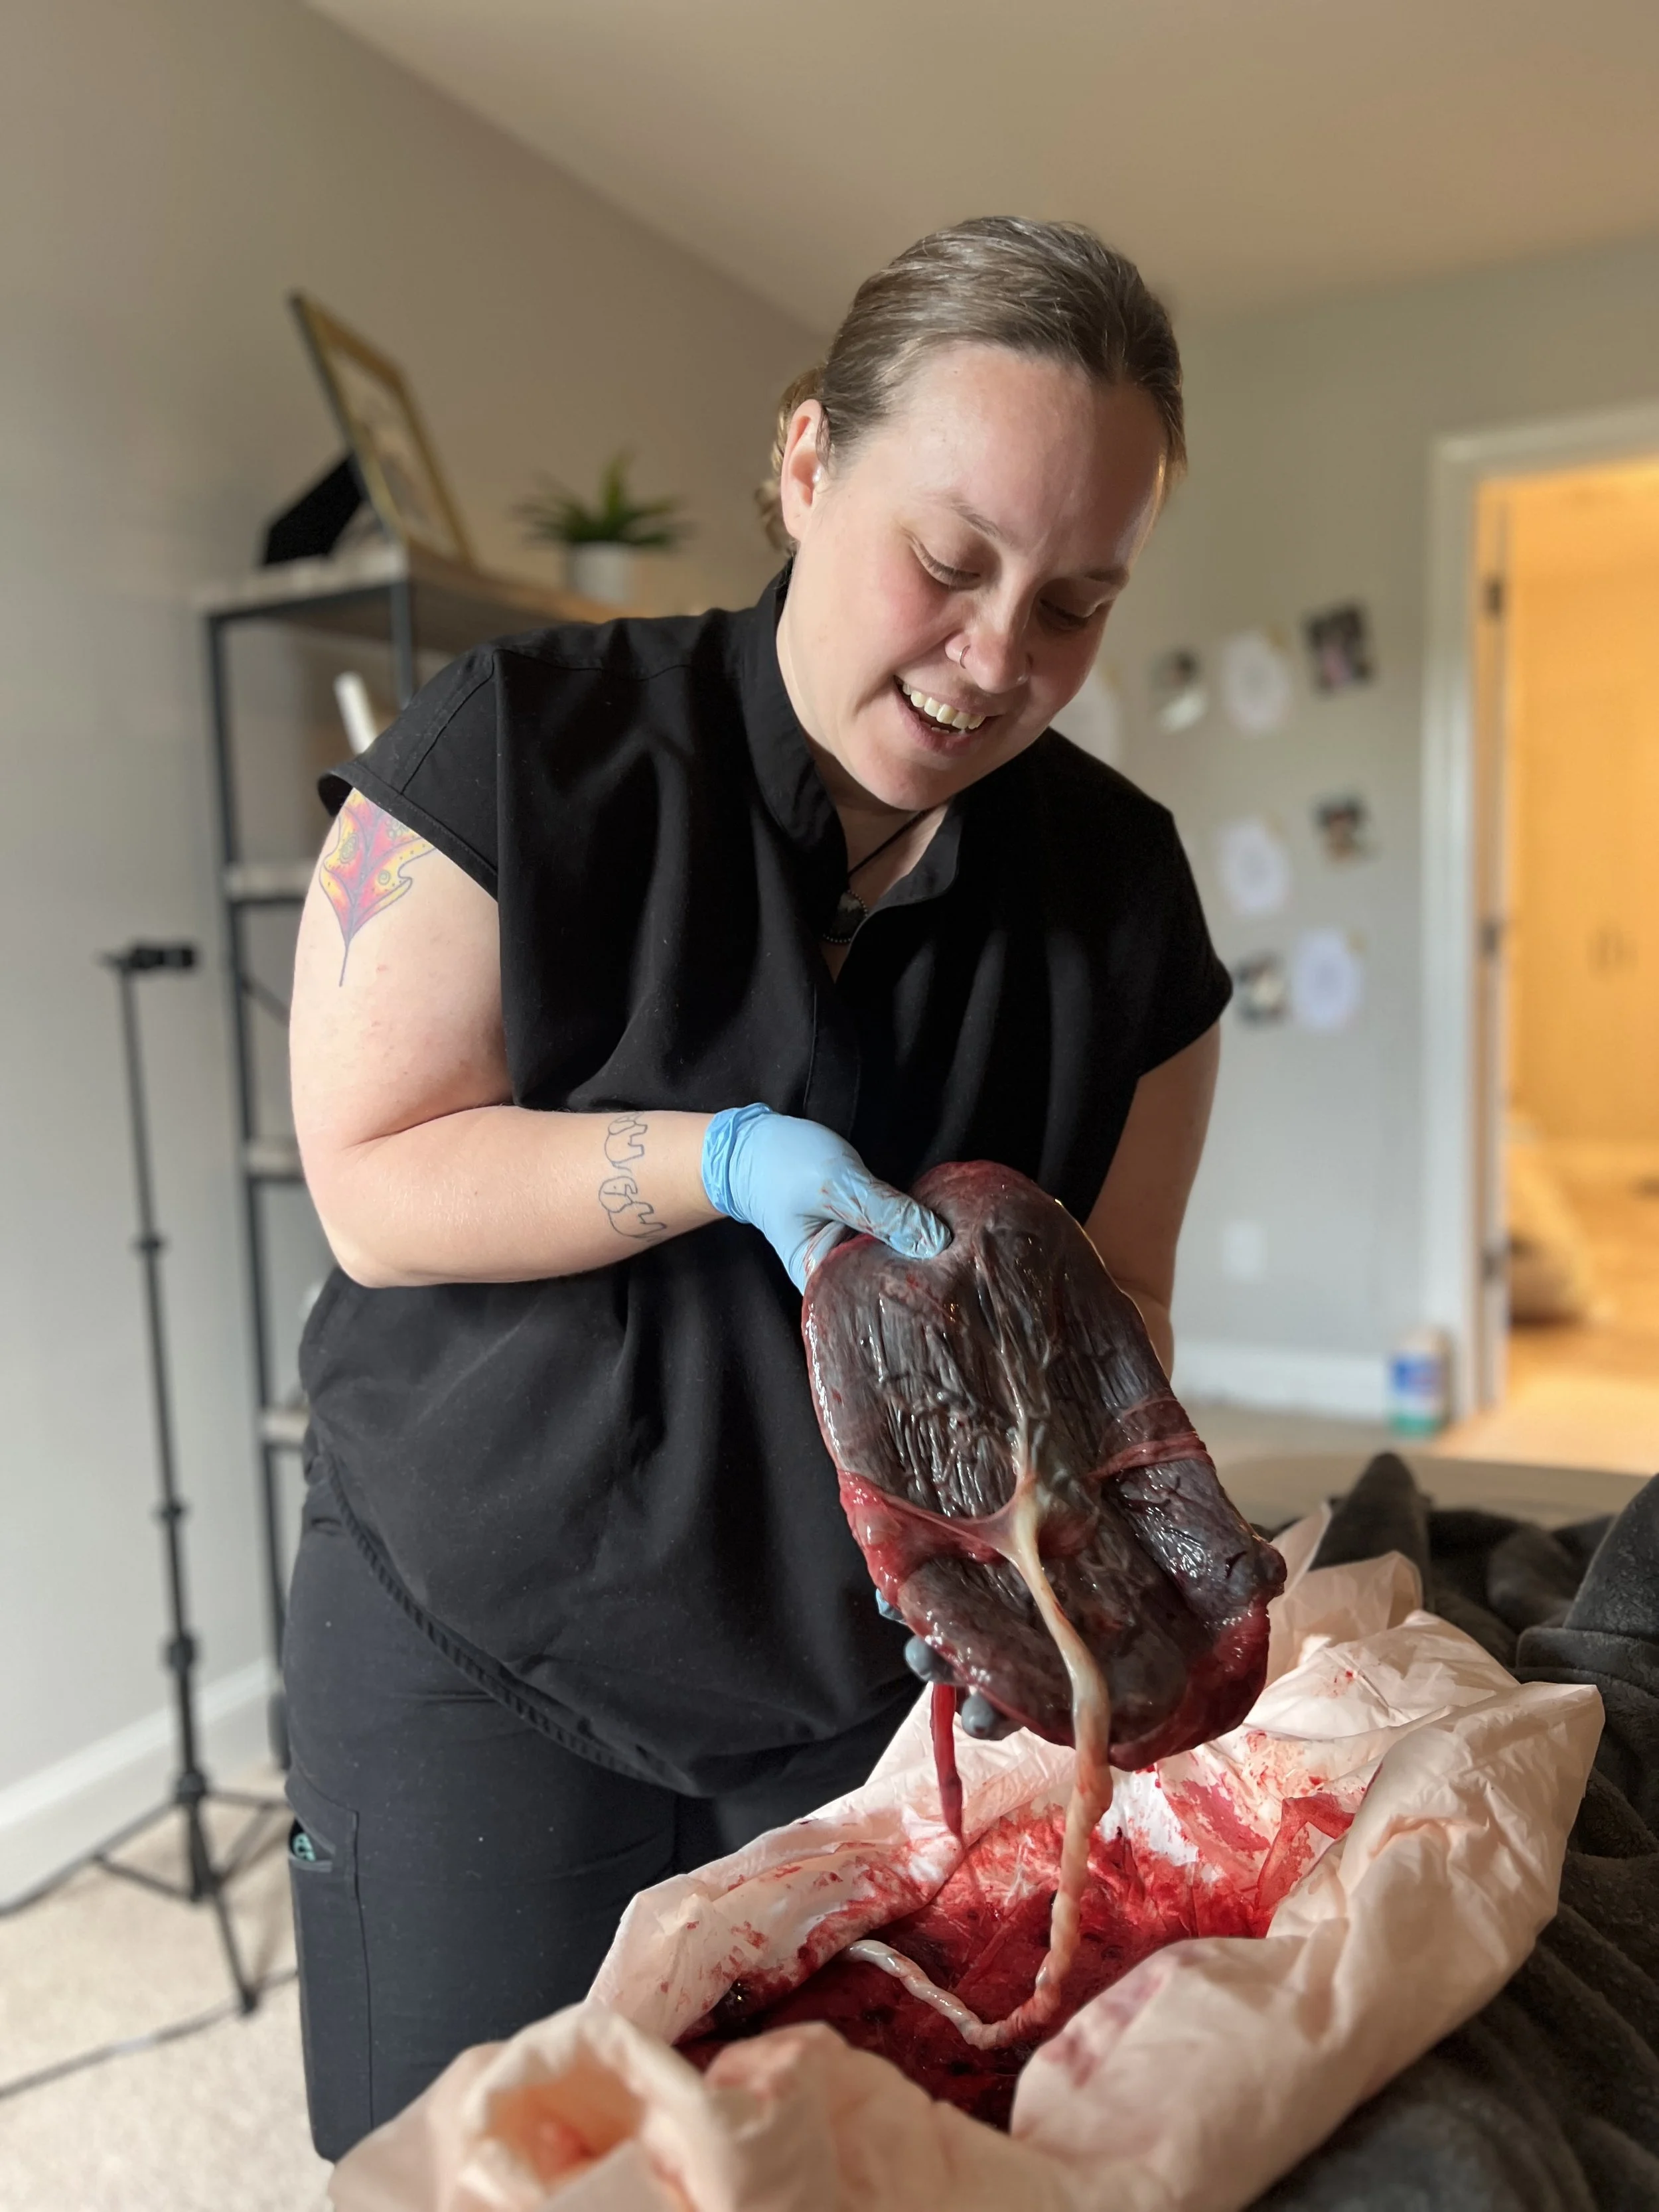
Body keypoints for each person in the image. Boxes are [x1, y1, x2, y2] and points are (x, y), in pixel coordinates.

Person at [283, 215, 1233, 2159]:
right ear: (808, 463)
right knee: (464, 2171)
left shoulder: (1123, 897)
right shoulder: (499, 764)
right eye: (949, 561)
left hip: (857, 1706)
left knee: (798, 2174)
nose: (995, 661)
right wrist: (714, 1160)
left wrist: (1086, 1554)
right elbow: (376, 1185)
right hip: (484, 1654)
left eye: (1073, 604)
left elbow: (1118, 1312)